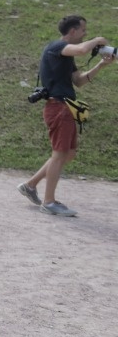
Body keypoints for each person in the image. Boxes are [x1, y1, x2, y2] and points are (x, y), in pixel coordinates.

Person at [17, 15, 114, 217]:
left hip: (66, 107)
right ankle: (49, 202)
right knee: (60, 154)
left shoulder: (66, 55)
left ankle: (30, 185)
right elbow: (82, 50)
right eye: (83, 30)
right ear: (72, 31)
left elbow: (79, 81)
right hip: (58, 107)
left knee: (68, 154)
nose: (85, 34)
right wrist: (97, 40)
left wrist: (100, 65)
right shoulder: (57, 47)